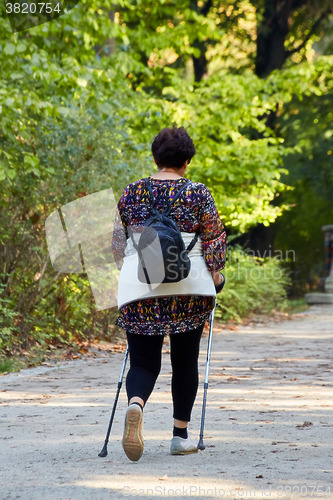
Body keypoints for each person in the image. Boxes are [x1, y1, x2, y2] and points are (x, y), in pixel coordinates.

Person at [112, 125, 227, 462]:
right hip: (188, 288)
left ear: (155, 157)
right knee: (185, 360)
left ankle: (136, 404)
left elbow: (118, 246)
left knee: (144, 360)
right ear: (187, 161)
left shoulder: (131, 193)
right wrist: (216, 278)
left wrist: (133, 272)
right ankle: (179, 436)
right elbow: (214, 243)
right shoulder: (198, 193)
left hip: (140, 286)